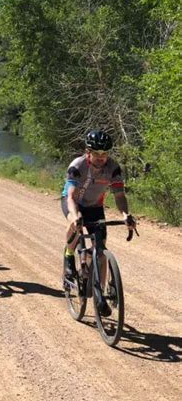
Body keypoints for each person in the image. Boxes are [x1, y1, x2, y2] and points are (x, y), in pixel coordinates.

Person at [61, 129, 137, 315]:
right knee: (75, 222)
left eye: (105, 153)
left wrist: (126, 215)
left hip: (95, 206)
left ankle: (99, 295)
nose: (101, 157)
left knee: (100, 250)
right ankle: (69, 254)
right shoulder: (77, 166)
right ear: (88, 151)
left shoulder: (113, 168)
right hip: (74, 203)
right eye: (97, 153)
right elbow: (70, 196)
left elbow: (119, 195)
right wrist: (75, 215)